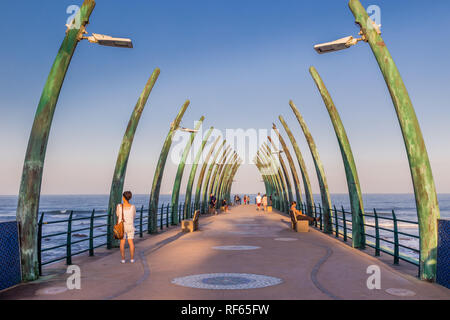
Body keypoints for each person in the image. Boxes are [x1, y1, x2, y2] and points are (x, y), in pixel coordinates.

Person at [116, 191, 136, 264]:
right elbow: (134, 216)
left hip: (122, 226)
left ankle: (123, 259)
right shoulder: (133, 207)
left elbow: (117, 215)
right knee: (131, 243)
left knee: (122, 243)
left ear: (124, 198)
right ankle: (132, 259)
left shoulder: (119, 206)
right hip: (130, 226)